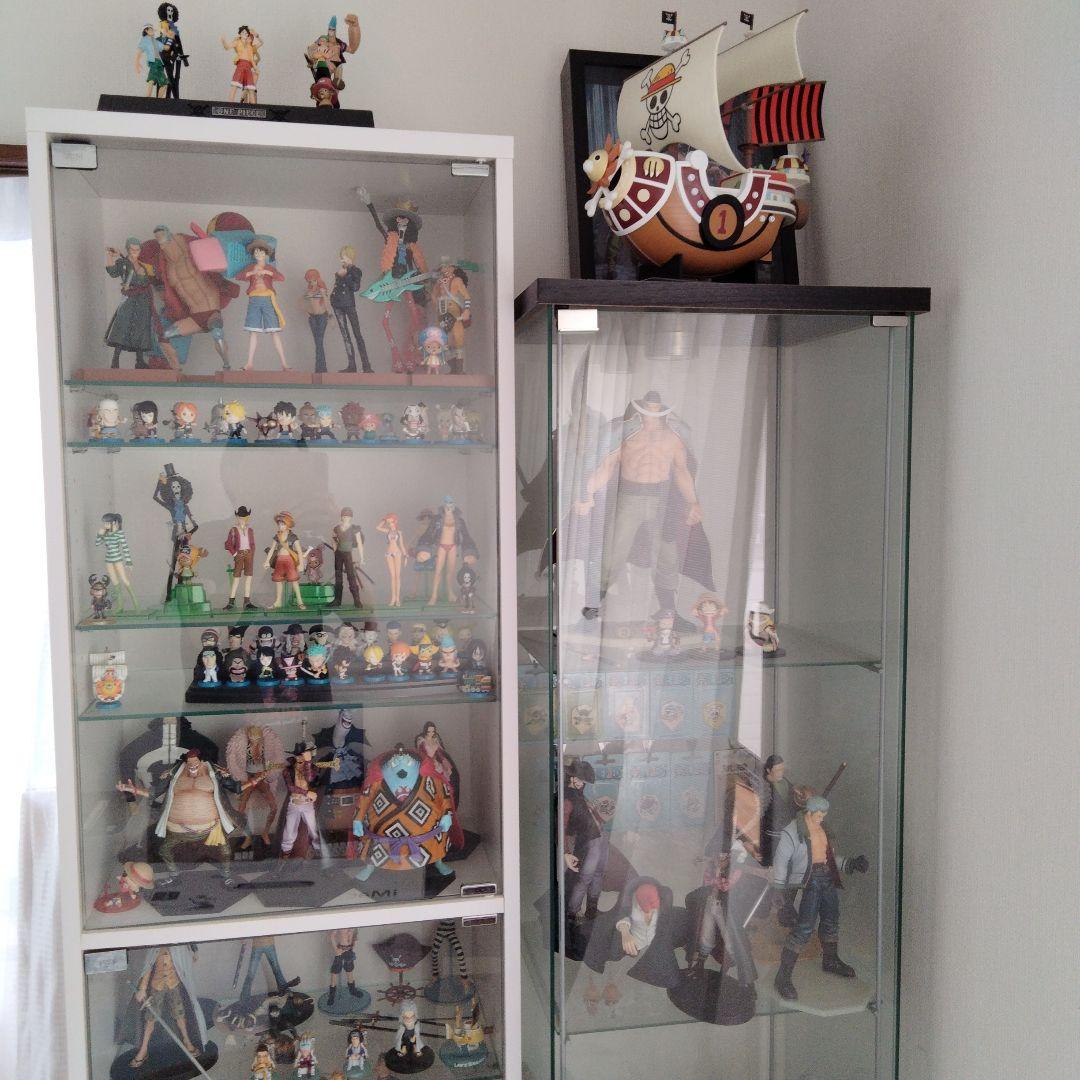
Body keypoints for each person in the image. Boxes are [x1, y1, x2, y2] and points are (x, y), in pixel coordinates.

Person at [573, 391, 713, 624]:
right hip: (630, 497)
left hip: (662, 500)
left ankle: (668, 610)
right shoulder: (625, 434)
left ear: (663, 412)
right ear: (640, 410)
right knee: (613, 552)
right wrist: (587, 493)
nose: (651, 415)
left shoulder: (673, 437)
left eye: (655, 410)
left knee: (667, 555)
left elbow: (681, 470)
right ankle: (593, 606)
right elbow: (606, 466)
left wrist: (693, 502)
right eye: (647, 410)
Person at [771, 795, 868, 1000]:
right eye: (820, 814)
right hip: (809, 881)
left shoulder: (822, 829)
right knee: (804, 927)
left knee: (831, 919)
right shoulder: (793, 831)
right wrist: (778, 889)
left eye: (824, 814)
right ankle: (783, 976)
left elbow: (828, 858)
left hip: (826, 878)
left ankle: (830, 960)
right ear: (810, 811)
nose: (822, 817)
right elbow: (781, 860)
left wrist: (850, 864)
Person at [116, 749, 258, 887]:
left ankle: (226, 875)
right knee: (164, 850)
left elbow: (236, 788)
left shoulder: (215, 772)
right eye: (189, 762)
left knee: (225, 850)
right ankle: (173, 875)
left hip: (211, 828)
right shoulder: (174, 772)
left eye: (195, 762)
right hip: (177, 828)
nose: (192, 766)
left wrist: (255, 780)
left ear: (201, 760)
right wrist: (134, 790)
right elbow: (154, 792)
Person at [562, 759, 608, 921]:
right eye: (580, 780)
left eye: (583, 781)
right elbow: (562, 827)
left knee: (598, 874)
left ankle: (591, 909)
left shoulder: (578, 794)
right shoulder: (567, 799)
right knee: (584, 878)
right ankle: (572, 913)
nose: (582, 783)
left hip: (599, 837)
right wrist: (566, 852)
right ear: (572, 778)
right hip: (589, 841)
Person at [414, 495, 478, 605]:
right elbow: (428, 534)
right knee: (438, 571)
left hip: (453, 547)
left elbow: (466, 536)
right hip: (441, 547)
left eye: (451, 505)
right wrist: (424, 549)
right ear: (443, 506)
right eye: (447, 505)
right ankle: (434, 595)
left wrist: (469, 552)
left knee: (450, 572)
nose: (449, 507)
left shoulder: (459, 521)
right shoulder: (437, 519)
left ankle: (450, 593)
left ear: (454, 506)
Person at [237, 240, 289, 371]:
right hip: (254, 300)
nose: (258, 254)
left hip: (267, 300)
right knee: (253, 331)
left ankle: (284, 363)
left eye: (260, 252)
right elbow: (239, 276)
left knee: (274, 331)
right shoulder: (250, 267)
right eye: (256, 252)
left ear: (265, 254)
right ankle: (249, 363)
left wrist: (267, 272)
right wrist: (251, 273)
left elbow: (281, 277)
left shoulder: (270, 268)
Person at [330, 245, 371, 372]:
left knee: (357, 334)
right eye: (341, 257)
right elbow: (337, 287)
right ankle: (351, 365)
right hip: (337, 304)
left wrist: (345, 276)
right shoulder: (341, 271)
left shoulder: (355, 271)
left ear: (350, 257)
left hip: (348, 304)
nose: (342, 260)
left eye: (344, 257)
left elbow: (355, 287)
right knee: (345, 336)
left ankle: (366, 365)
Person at [264, 511, 307, 610]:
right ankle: (278, 601)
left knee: (294, 581)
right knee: (278, 581)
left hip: (289, 561)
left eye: (283, 524)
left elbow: (299, 551)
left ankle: (300, 601)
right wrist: (267, 561)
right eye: (279, 524)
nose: (280, 526)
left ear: (288, 524)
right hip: (279, 561)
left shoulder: (293, 537)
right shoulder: (277, 536)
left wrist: (301, 564)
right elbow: (272, 549)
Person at [95, 513, 138, 611]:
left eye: (107, 523)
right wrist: (99, 534)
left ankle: (136, 605)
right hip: (108, 561)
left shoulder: (119, 533)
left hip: (118, 560)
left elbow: (125, 547)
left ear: (114, 522)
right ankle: (120, 606)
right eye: (104, 523)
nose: (105, 525)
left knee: (125, 580)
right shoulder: (105, 533)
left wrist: (129, 562)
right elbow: (97, 543)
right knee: (115, 583)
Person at [328, 507, 364, 607]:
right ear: (341, 517)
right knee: (338, 577)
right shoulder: (336, 528)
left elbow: (359, 544)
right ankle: (337, 600)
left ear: (351, 518)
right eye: (344, 516)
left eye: (348, 517)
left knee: (351, 576)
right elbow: (333, 539)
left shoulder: (354, 529)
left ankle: (357, 600)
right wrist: (335, 550)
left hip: (348, 554)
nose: (346, 518)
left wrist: (362, 558)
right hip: (339, 554)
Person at [224, 505, 257, 610]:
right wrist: (235, 554)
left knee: (249, 577)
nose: (242, 520)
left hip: (248, 554)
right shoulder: (234, 530)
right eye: (240, 517)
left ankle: (247, 601)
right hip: (239, 554)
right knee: (236, 577)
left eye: (244, 518)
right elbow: (228, 544)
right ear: (237, 517)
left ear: (247, 518)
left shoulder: (250, 530)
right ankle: (231, 601)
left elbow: (252, 543)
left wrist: (251, 553)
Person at [326, 928, 367, 1007]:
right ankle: (332, 996)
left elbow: (354, 936)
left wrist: (352, 946)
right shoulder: (340, 925)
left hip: (349, 950)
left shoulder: (353, 926)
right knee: (335, 972)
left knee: (349, 970)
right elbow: (332, 936)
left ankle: (352, 990)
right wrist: (336, 949)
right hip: (340, 950)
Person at [221, 25, 261, 104]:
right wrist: (223, 41)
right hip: (240, 66)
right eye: (243, 32)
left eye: (246, 33)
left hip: (248, 67)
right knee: (234, 86)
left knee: (251, 89)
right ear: (240, 34)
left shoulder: (250, 47)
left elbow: (252, 59)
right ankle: (230, 105)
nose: (245, 34)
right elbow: (227, 47)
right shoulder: (237, 42)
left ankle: (253, 107)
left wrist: (255, 68)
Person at [302, 269, 331, 373]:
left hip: (322, 316)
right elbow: (302, 301)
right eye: (309, 281)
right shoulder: (309, 291)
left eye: (313, 280)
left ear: (317, 279)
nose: (312, 283)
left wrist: (330, 315)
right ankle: (321, 367)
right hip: (312, 317)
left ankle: (320, 367)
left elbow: (326, 302)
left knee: (319, 341)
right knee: (317, 342)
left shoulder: (322, 289)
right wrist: (306, 311)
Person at [135, 24, 168, 98]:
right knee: (151, 79)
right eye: (151, 29)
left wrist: (168, 37)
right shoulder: (145, 40)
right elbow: (139, 51)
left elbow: (165, 47)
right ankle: (148, 98)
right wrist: (137, 63)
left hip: (159, 63)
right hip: (153, 62)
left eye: (153, 29)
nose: (153, 31)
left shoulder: (155, 41)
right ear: (146, 31)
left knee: (164, 83)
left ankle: (158, 101)